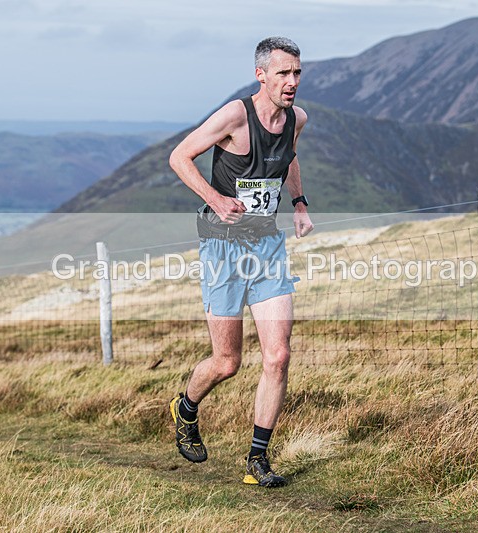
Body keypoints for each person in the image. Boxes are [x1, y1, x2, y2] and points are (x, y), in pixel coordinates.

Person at [167, 36, 313, 488]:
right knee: (227, 362)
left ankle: (258, 461)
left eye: (297, 73)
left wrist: (300, 203)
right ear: (261, 75)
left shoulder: (297, 119)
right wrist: (215, 198)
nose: (292, 82)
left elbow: (288, 158)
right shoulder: (235, 115)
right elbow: (179, 156)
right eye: (283, 73)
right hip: (222, 247)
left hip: (266, 247)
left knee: (278, 356)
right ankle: (186, 407)